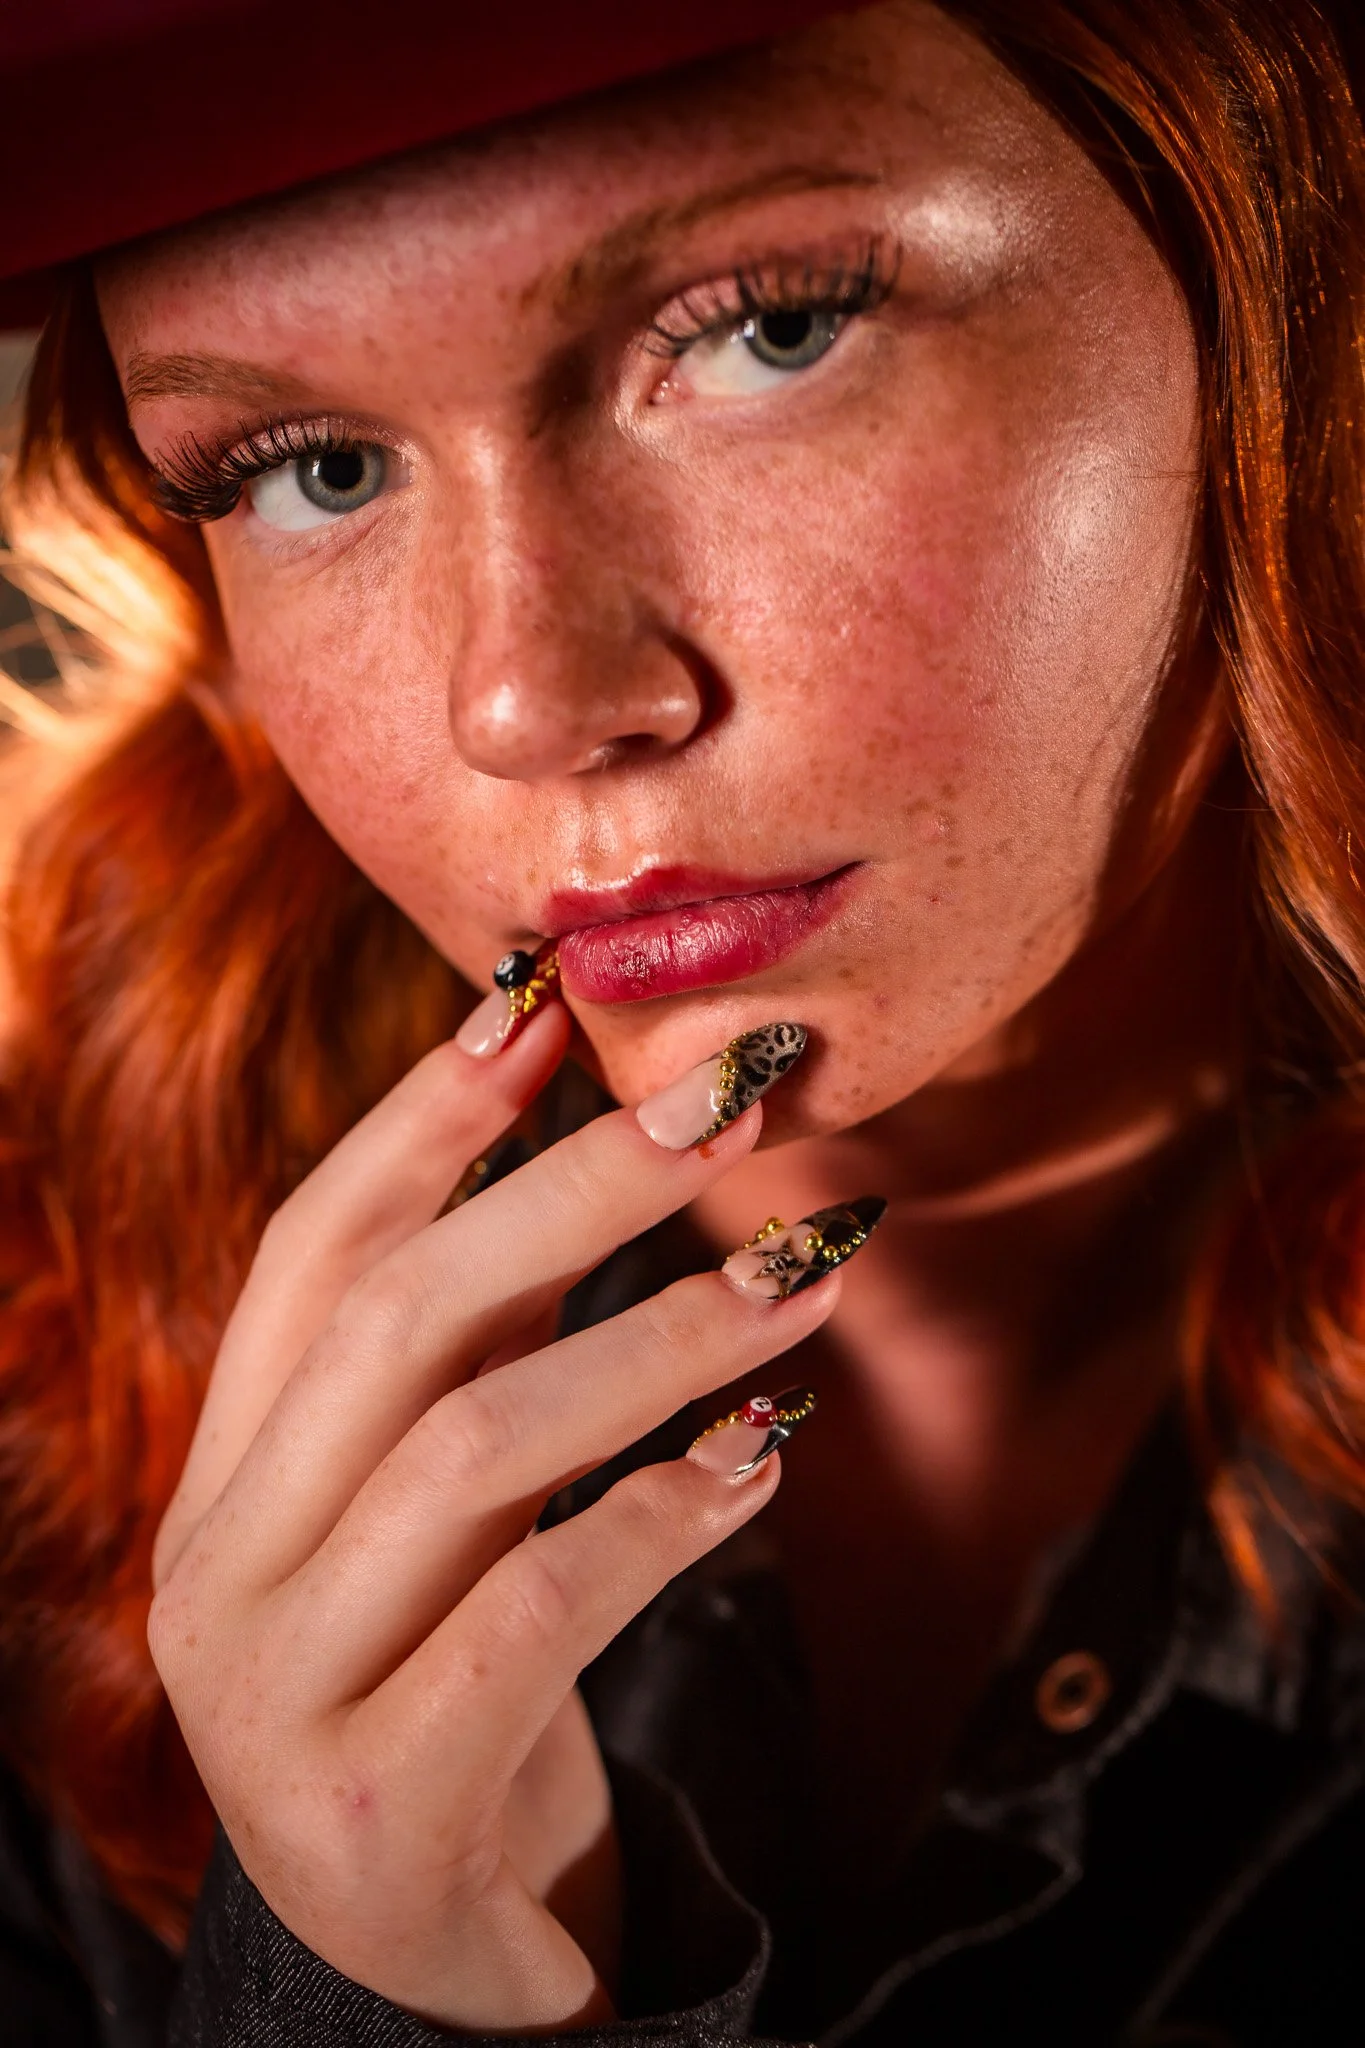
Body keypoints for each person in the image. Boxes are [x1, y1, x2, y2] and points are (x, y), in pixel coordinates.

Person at [1, 0, 1363, 2040]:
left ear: (1271, 279)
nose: (527, 699)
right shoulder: (35, 1381)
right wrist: (361, 1999)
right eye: (314, 467)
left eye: (762, 333)